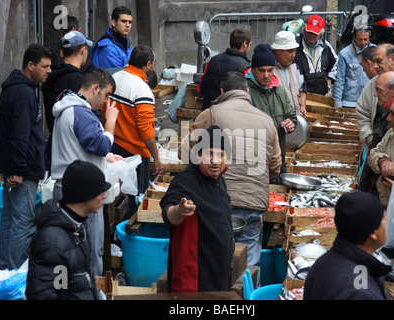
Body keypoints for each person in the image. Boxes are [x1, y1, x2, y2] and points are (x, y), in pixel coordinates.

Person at [180, 71, 282, 287]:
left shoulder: (212, 113)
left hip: (217, 200)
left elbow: (188, 152)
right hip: (253, 203)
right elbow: (275, 166)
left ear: (222, 92)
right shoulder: (267, 120)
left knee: (214, 261)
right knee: (250, 264)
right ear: (247, 92)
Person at [51, 68, 122, 277]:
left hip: (66, 188)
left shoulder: (70, 108)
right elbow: (100, 145)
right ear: (96, 88)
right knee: (91, 252)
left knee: (71, 251)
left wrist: (104, 158)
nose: (106, 103)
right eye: (106, 95)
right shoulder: (81, 112)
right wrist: (110, 123)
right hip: (82, 194)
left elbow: (80, 147)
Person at [0, 44, 52, 270]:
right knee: (22, 224)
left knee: (9, 221)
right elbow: (20, 135)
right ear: (30, 65)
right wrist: (18, 171)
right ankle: (15, 273)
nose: (49, 71)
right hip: (22, 172)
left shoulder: (17, 89)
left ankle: (4, 271)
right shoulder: (23, 93)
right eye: (44, 66)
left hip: (15, 168)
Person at [160, 125, 234, 293]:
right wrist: (179, 211)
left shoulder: (217, 178)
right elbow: (168, 213)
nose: (215, 160)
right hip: (193, 284)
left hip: (216, 277)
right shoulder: (185, 182)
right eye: (209, 154)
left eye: (220, 155)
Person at [26, 160, 111, 300]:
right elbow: (44, 294)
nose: (105, 195)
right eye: (100, 191)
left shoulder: (76, 226)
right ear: (85, 194)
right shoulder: (52, 242)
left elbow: (64, 286)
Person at [304, 191, 394, 300]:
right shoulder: (359, 292)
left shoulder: (326, 260)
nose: (386, 220)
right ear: (373, 233)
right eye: (382, 218)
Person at [108, 45, 164, 219]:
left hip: (112, 148)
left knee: (116, 197)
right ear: (148, 65)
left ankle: (117, 235)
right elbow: (145, 129)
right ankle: (128, 237)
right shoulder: (142, 89)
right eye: (154, 62)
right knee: (134, 201)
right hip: (135, 155)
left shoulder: (114, 78)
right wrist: (156, 157)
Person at [42, 31, 93, 171]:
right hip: (73, 152)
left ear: (62, 52)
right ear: (83, 50)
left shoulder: (49, 77)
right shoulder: (80, 82)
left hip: (55, 146)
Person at [246, 44, 297, 178]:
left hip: (278, 160)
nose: (266, 75)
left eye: (270, 70)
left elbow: (292, 115)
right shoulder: (245, 92)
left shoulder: (279, 91)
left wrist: (290, 123)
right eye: (261, 70)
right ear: (253, 70)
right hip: (253, 162)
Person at [358, 72, 394, 193]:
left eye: (379, 90)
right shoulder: (391, 124)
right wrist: (382, 161)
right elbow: (374, 153)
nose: (375, 94)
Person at [198, 28, 252, 110]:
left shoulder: (212, 61)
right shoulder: (246, 67)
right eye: (250, 44)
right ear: (244, 44)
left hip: (209, 112)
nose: (249, 47)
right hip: (231, 115)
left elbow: (200, 88)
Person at [294, 15, 338, 96]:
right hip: (300, 92)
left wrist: (328, 84)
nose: (311, 36)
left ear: (321, 32)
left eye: (315, 33)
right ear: (305, 29)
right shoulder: (296, 45)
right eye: (309, 32)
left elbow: (335, 65)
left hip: (322, 93)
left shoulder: (326, 46)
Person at [333, 27, 374, 108]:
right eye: (360, 40)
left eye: (366, 39)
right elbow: (340, 81)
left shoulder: (375, 51)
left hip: (370, 101)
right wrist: (337, 104)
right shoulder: (344, 54)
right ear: (354, 38)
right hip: (350, 102)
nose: (363, 43)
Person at [272, 30, 307, 116]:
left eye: (295, 51)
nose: (293, 55)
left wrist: (302, 106)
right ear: (278, 51)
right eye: (290, 51)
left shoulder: (295, 66)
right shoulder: (269, 70)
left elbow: (302, 88)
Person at [91, 6, 133, 70]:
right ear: (113, 22)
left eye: (130, 22)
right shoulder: (107, 47)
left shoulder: (126, 44)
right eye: (123, 21)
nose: (127, 25)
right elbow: (115, 76)